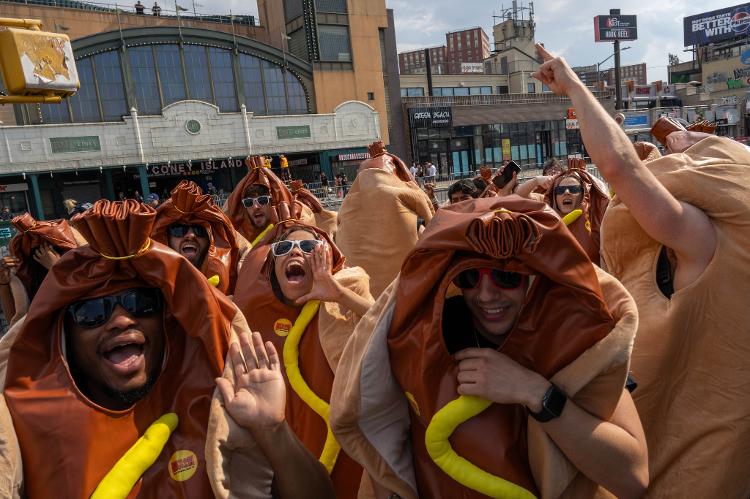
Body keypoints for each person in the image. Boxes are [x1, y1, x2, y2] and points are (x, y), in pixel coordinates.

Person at [0, 200, 334, 498]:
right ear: (65, 337)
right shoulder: (25, 431)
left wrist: (273, 430)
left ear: (167, 320)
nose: (119, 321)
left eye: (139, 303)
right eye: (91, 313)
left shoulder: (219, 397)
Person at [534, 43, 750, 496]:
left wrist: (574, 86)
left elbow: (620, 168)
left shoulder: (704, 241)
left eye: (693, 144)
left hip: (679, 474)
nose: (677, 142)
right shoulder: (706, 244)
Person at [331, 197, 648, 499]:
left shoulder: (571, 337)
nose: (486, 295)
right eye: (470, 276)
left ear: (533, 279)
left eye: (505, 276)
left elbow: (632, 479)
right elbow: (387, 443)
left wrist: (534, 392)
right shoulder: (426, 335)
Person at [233, 221, 374, 497]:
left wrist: (338, 294)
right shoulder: (255, 313)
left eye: (308, 247)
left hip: (351, 458)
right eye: (284, 247)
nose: (295, 253)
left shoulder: (347, 293)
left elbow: (392, 329)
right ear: (273, 267)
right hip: (288, 458)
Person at [335, 141, 434, 298]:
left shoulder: (345, 213)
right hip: (406, 300)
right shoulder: (408, 201)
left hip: (362, 307)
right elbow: (434, 227)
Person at [151, 180, 249, 295]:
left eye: (199, 230)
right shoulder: (151, 281)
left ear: (210, 239)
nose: (190, 235)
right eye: (178, 230)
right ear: (166, 238)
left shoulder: (237, 281)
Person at [0, 213, 82, 325]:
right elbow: (15, 323)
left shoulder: (86, 277)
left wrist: (57, 269)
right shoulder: (29, 282)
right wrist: (4, 283)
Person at [224, 156, 315, 247]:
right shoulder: (238, 242)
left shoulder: (295, 235)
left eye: (262, 200)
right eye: (249, 203)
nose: (255, 207)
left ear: (273, 202)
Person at [542, 159, 609, 264]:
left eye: (574, 189)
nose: (566, 192)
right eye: (560, 190)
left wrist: (583, 173)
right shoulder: (543, 221)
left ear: (583, 194)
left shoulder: (597, 224)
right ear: (554, 196)